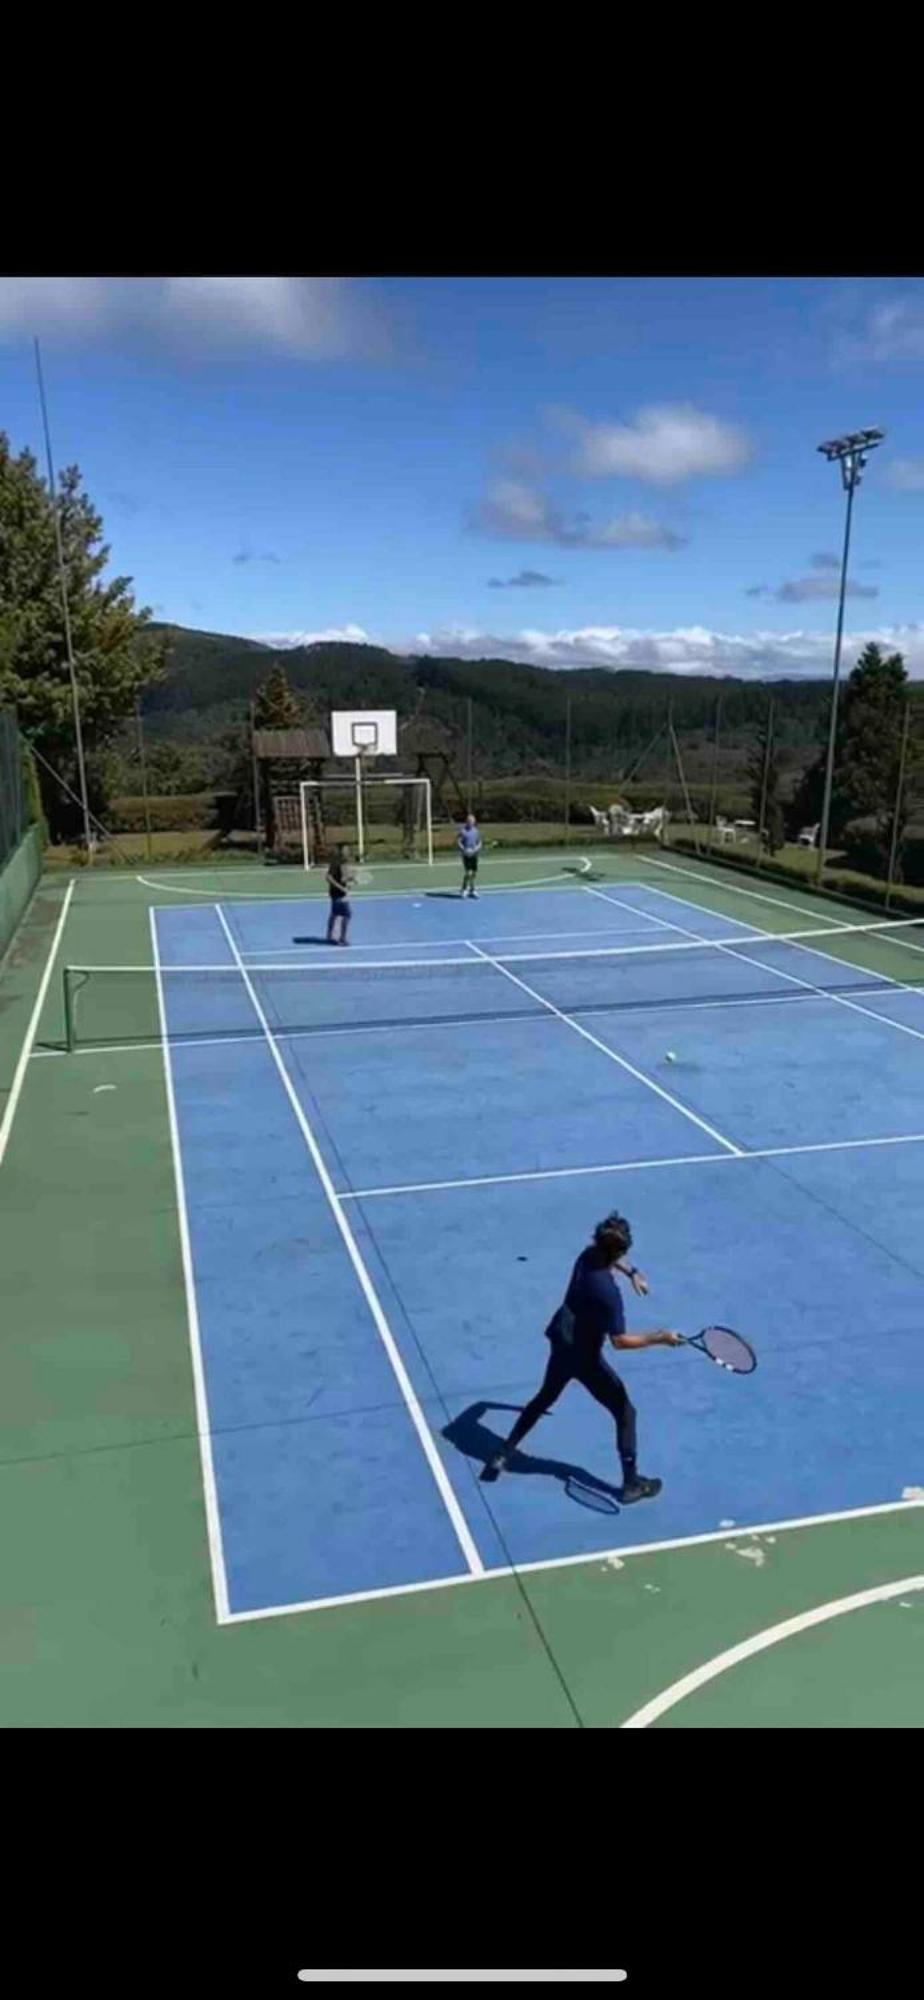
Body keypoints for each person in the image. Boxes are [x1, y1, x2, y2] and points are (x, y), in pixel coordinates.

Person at [482, 1212, 682, 1503]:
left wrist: (631, 1272)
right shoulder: (608, 1294)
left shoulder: (587, 1256)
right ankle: (631, 1485)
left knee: (544, 1397)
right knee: (625, 1412)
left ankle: (502, 1453)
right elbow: (620, 1342)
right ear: (619, 1250)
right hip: (586, 1359)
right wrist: (660, 1338)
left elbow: (609, 1257)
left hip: (562, 1343)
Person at [325, 844, 353, 945]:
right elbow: (328, 877)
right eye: (346, 851)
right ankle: (342, 938)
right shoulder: (336, 863)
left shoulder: (342, 863)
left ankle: (329, 935)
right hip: (338, 894)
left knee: (335, 913)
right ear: (342, 852)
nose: (348, 853)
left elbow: (342, 878)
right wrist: (342, 888)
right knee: (347, 914)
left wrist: (351, 879)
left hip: (338, 893)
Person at [457, 813, 482, 898]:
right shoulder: (463, 831)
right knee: (468, 873)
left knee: (473, 873)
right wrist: (464, 849)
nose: (471, 822)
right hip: (466, 855)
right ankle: (463, 889)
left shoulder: (476, 831)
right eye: (469, 821)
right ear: (467, 821)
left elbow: (479, 842)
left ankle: (472, 890)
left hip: (474, 855)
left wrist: (476, 849)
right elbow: (459, 842)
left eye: (472, 821)